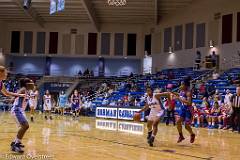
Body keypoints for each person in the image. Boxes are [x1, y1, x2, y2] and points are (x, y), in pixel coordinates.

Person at [11, 78, 34, 153]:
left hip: (20, 110)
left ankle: (15, 142)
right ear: (27, 84)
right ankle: (16, 144)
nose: (32, 84)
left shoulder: (27, 90)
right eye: (31, 83)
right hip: (17, 109)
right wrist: (12, 98)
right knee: (25, 126)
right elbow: (16, 95)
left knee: (24, 126)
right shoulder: (23, 89)